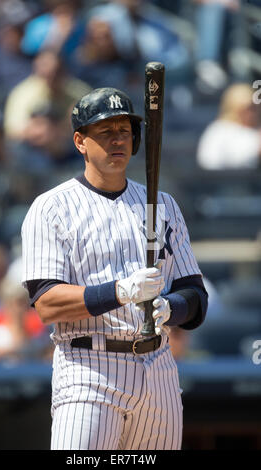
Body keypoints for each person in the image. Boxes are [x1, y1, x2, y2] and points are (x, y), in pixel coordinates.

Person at [21, 87, 208, 450]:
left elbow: (196, 297)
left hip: (159, 368)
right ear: (80, 141)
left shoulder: (162, 205)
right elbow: (47, 303)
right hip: (88, 367)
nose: (117, 139)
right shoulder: (51, 208)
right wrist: (120, 291)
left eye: (124, 130)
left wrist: (172, 307)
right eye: (105, 132)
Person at [197, 83, 261, 170]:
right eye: (249, 107)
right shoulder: (219, 130)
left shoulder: (256, 131)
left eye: (255, 107)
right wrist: (255, 152)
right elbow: (208, 161)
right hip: (225, 181)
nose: (252, 112)